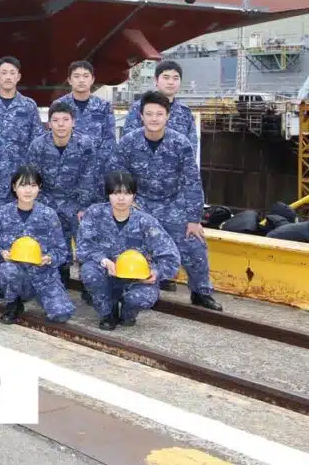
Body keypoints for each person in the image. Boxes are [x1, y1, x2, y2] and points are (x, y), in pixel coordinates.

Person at [109, 90, 220, 310]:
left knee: (194, 244)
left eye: (159, 114)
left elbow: (192, 182)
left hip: (173, 203)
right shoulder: (129, 142)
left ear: (167, 116)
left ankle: (201, 292)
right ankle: (125, 289)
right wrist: (126, 204)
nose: (154, 118)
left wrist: (193, 219)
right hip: (139, 203)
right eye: (149, 114)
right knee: (124, 245)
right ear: (141, 116)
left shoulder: (180, 143)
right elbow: (117, 175)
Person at [76, 171, 181, 329]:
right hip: (107, 273)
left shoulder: (146, 222)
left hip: (136, 278)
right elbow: (84, 247)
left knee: (142, 298)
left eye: (126, 193)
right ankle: (107, 313)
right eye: (116, 193)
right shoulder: (95, 214)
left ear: (134, 196)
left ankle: (128, 314)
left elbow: (171, 257)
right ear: (108, 195)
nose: (121, 198)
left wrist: (155, 273)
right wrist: (104, 261)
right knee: (89, 271)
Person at [25, 100, 99, 288]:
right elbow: (33, 179)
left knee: (86, 239)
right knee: (47, 239)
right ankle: (57, 274)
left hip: (76, 201)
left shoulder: (85, 144)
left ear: (73, 122)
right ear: (49, 123)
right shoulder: (38, 145)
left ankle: (88, 280)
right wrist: (41, 206)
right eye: (56, 120)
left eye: (65, 120)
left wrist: (83, 207)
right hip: (47, 200)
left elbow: (89, 177)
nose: (61, 124)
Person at [0, 165, 75, 324]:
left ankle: (43, 297)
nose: (28, 190)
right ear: (14, 187)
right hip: (16, 272)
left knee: (62, 314)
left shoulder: (49, 215)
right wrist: (1, 253)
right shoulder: (0, 214)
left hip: (43, 275)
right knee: (6, 270)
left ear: (39, 188)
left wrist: (49, 258)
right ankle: (14, 303)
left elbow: (61, 250)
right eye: (23, 185)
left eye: (33, 185)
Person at [50, 60, 118, 175]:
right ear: (69, 80)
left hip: (96, 171)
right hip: (66, 169)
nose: (81, 80)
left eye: (86, 76)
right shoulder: (58, 105)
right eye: (76, 76)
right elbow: (52, 137)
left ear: (92, 80)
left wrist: (96, 165)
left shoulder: (104, 106)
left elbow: (109, 139)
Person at [0, 56, 45, 169]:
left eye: (12, 73)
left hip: (20, 170)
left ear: (18, 77)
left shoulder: (29, 105)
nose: (8, 77)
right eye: (4, 73)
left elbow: (37, 140)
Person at [122, 59, 198, 150]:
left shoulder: (185, 112)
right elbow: (128, 141)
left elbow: (192, 145)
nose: (171, 82)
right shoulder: (139, 107)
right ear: (156, 80)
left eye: (175, 78)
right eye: (166, 77)